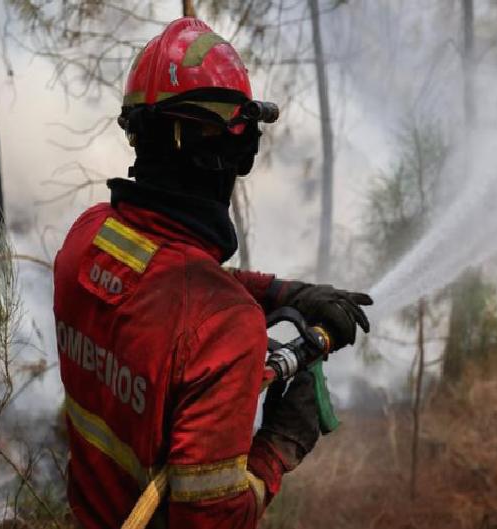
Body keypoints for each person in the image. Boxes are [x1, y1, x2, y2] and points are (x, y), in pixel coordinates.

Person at [52, 17, 372, 529]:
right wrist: (280, 446)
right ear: (230, 151)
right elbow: (212, 522)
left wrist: (283, 293)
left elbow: (165, 278)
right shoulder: (222, 327)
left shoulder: (86, 239)